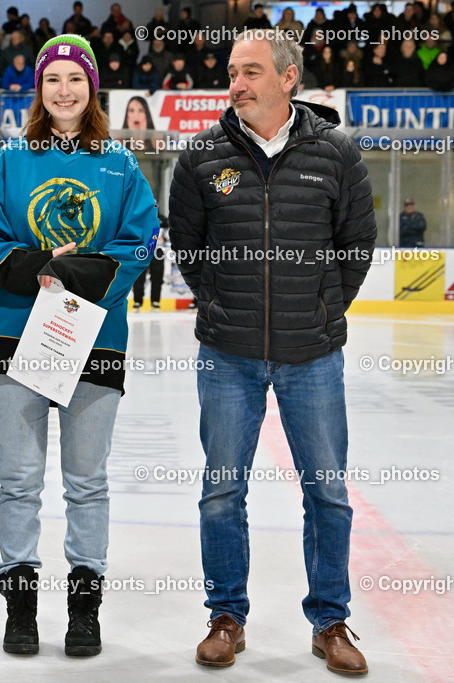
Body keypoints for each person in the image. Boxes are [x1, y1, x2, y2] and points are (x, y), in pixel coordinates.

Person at [168, 29, 375, 676]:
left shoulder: (336, 153)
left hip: (311, 353)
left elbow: (356, 245)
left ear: (288, 79)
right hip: (227, 354)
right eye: (232, 71)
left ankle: (331, 621)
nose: (237, 83)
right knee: (221, 490)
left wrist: (321, 309)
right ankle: (226, 616)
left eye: (251, 71)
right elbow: (189, 247)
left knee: (328, 491)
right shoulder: (201, 156)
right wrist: (221, 306)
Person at [0, 34, 158, 658]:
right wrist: (35, 268)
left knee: (87, 482)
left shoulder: (121, 165)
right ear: (39, 89)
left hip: (94, 337)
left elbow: (138, 242)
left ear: (92, 88)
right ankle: (20, 606)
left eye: (77, 79)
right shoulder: (8, 161)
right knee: (19, 480)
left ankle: (84, 609)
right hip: (18, 335)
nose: (65, 90)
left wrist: (74, 275)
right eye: (54, 80)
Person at [132, 215, 167, 309]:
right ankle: (137, 301)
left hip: (158, 251)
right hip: (143, 251)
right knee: (139, 276)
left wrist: (165, 239)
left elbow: (169, 230)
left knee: (157, 276)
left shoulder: (162, 219)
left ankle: (155, 300)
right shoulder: (140, 217)